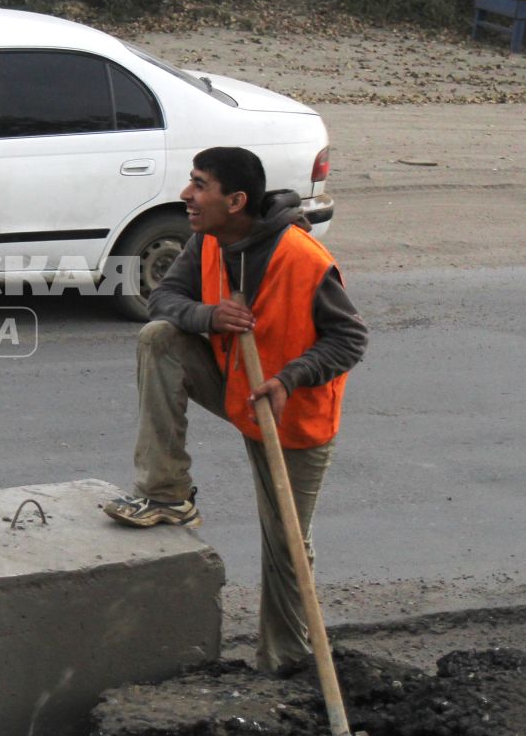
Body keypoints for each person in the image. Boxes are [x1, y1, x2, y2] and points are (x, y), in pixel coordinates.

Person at [101, 145, 367, 673]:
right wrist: (208, 315)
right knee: (160, 338)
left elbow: (350, 339)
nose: (187, 195)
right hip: (236, 385)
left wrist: (290, 378)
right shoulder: (206, 240)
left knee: (286, 542)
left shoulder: (302, 258)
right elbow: (163, 302)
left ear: (237, 199)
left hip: (291, 415)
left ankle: (286, 661)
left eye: (200, 185)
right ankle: (166, 493)